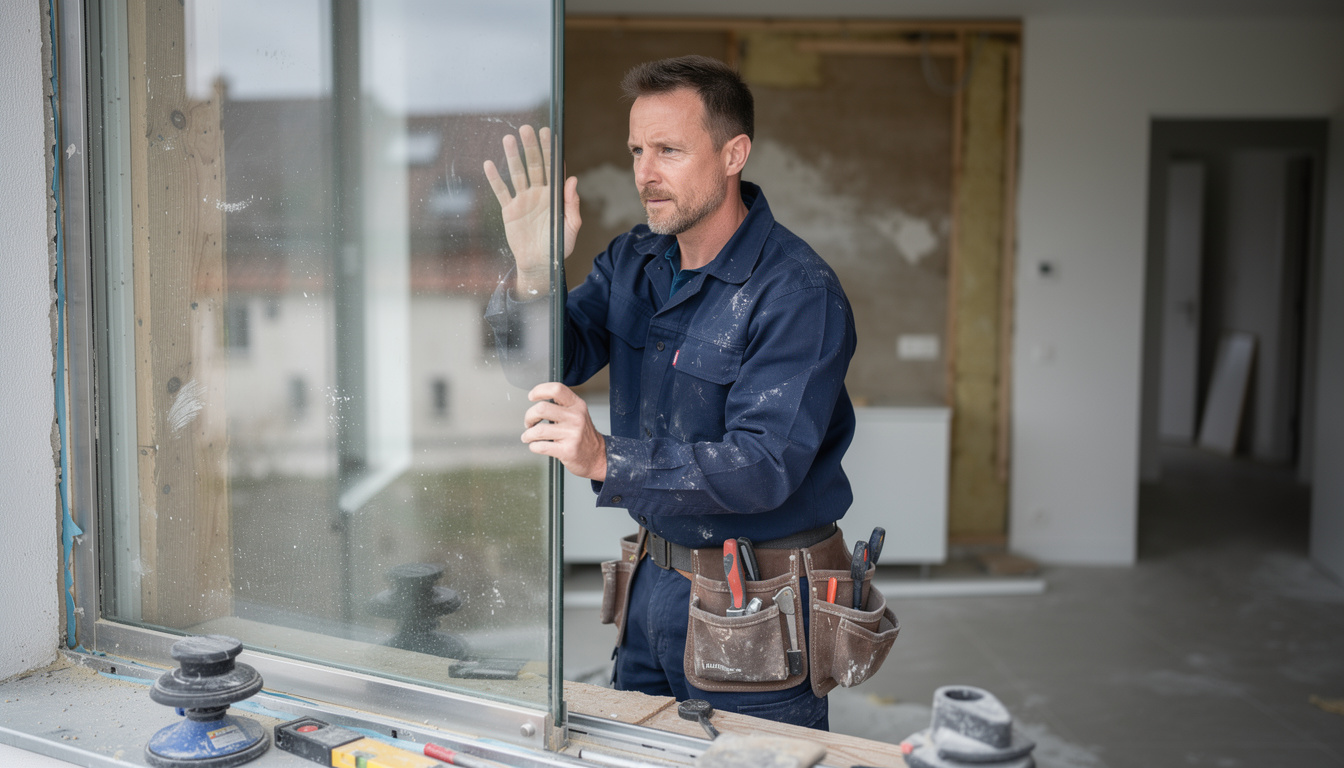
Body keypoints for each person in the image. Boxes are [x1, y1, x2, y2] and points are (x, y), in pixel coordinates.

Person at [483, 55, 857, 729]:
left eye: (669, 151)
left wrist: (607, 458)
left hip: (756, 603)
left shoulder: (797, 293)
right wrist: (536, 272)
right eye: (636, 151)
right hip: (651, 579)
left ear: (733, 152)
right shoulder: (635, 259)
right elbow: (548, 359)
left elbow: (766, 466)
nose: (644, 175)